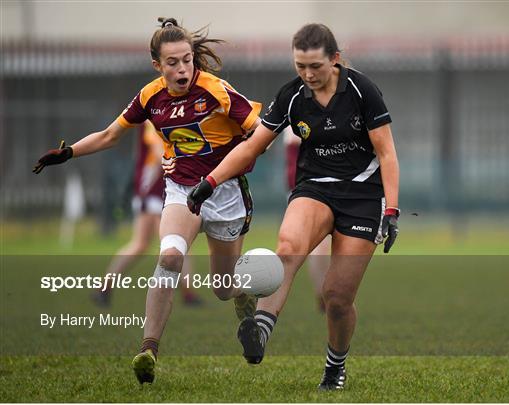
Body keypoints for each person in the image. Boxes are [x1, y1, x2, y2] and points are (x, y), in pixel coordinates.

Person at [33, 17, 262, 385]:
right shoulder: (150, 95)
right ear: (157, 64)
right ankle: (148, 350)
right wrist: (69, 152)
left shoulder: (217, 90)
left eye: (187, 60)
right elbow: (110, 135)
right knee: (169, 255)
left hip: (225, 192)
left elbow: (259, 131)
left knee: (222, 287)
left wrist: (226, 168)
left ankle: (243, 301)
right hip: (183, 191)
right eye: (172, 62)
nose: (182, 68)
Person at [186, 23, 400, 390]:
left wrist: (392, 211)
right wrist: (210, 181)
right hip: (314, 189)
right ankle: (260, 333)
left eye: (315, 66)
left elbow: (387, 153)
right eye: (300, 65)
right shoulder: (291, 95)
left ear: (335, 59)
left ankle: (335, 368)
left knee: (336, 297)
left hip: (363, 196)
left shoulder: (362, 91)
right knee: (287, 249)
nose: (307, 74)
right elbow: (252, 146)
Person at [92, 121, 202, 308]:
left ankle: (188, 294)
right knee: (145, 244)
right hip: (152, 190)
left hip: (167, 189)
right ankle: (105, 287)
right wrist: (184, 164)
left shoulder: (175, 112)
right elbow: (158, 149)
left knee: (173, 242)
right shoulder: (154, 115)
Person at [284, 127, 329, 313]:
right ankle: (323, 293)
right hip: (308, 186)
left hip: (308, 185)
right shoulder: (298, 113)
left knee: (317, 245)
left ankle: (323, 293)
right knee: (318, 245)